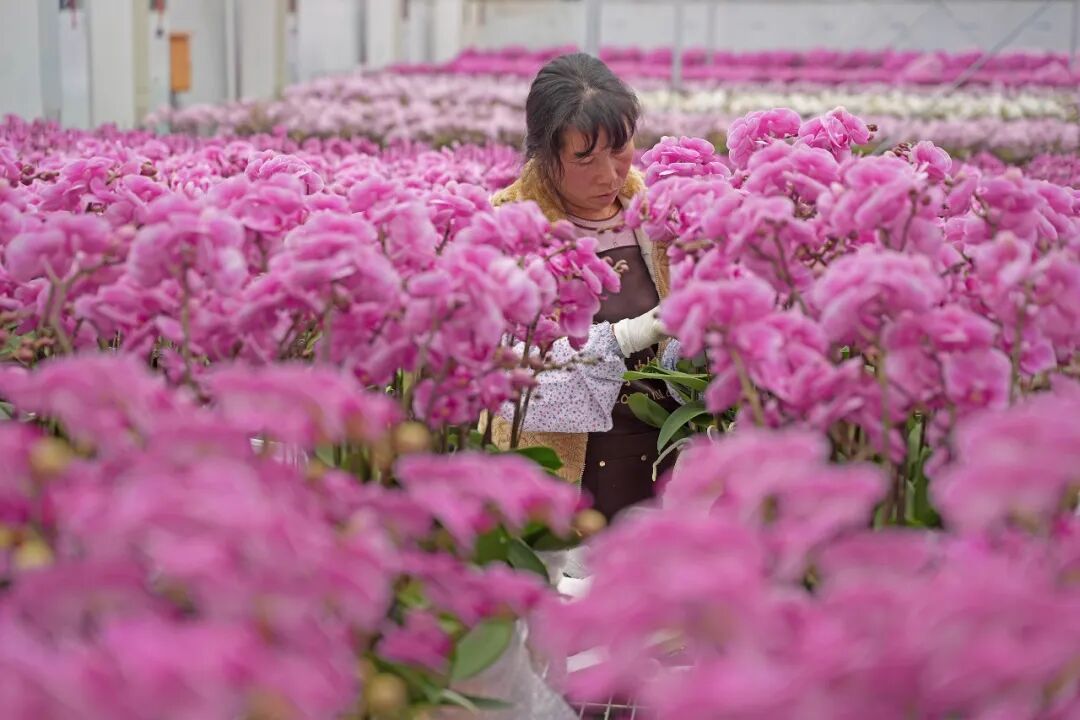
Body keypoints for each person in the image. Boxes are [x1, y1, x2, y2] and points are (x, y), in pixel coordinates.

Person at [490, 53, 681, 524]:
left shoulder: (658, 215)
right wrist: (622, 339)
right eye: (584, 158)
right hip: (562, 474)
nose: (608, 175)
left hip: (662, 461)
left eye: (619, 150)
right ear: (542, 152)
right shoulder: (508, 227)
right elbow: (505, 377)